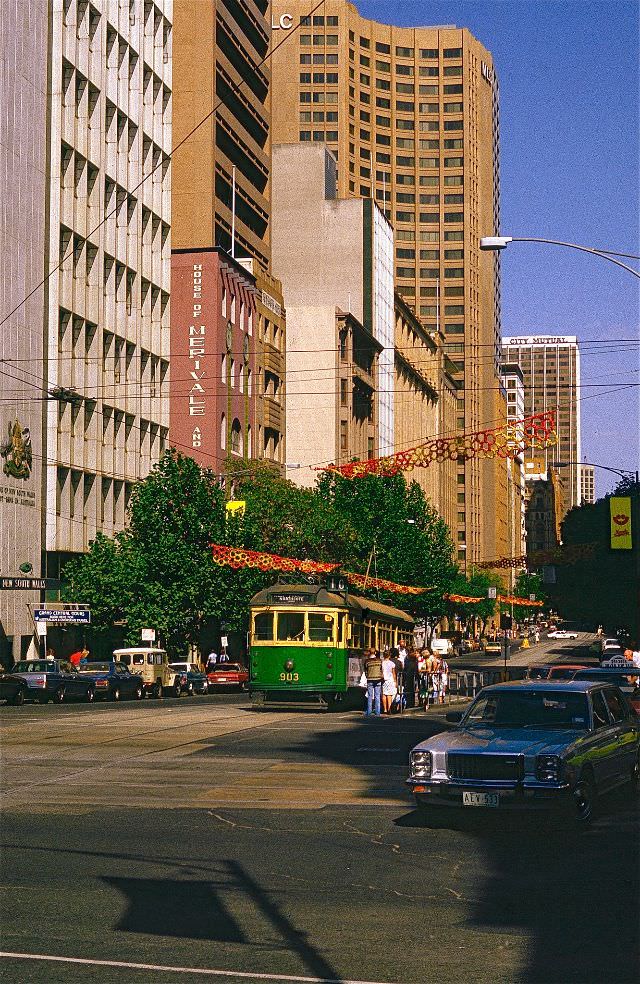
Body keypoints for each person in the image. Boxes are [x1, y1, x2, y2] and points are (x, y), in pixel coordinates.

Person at [363, 648, 383, 717]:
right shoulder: (379, 661)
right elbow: (381, 669)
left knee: (370, 696)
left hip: (370, 679)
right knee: (377, 696)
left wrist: (367, 676)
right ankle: (377, 713)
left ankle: (369, 712)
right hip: (378, 679)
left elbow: (365, 671)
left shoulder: (367, 661)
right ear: (375, 653)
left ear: (369, 653)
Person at [381, 650, 397, 714]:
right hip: (390, 680)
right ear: (389, 655)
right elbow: (394, 673)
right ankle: (389, 708)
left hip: (383, 679)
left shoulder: (381, 663)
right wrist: (395, 681)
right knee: (389, 695)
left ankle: (384, 709)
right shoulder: (392, 663)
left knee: (384, 694)